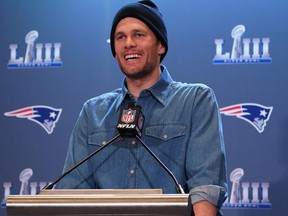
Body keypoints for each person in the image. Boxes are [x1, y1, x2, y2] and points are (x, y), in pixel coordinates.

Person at [59, 1, 228, 215]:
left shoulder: (195, 99)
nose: (128, 43)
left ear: (161, 46)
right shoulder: (93, 112)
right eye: (120, 37)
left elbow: (205, 187)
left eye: (139, 35)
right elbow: (72, 191)